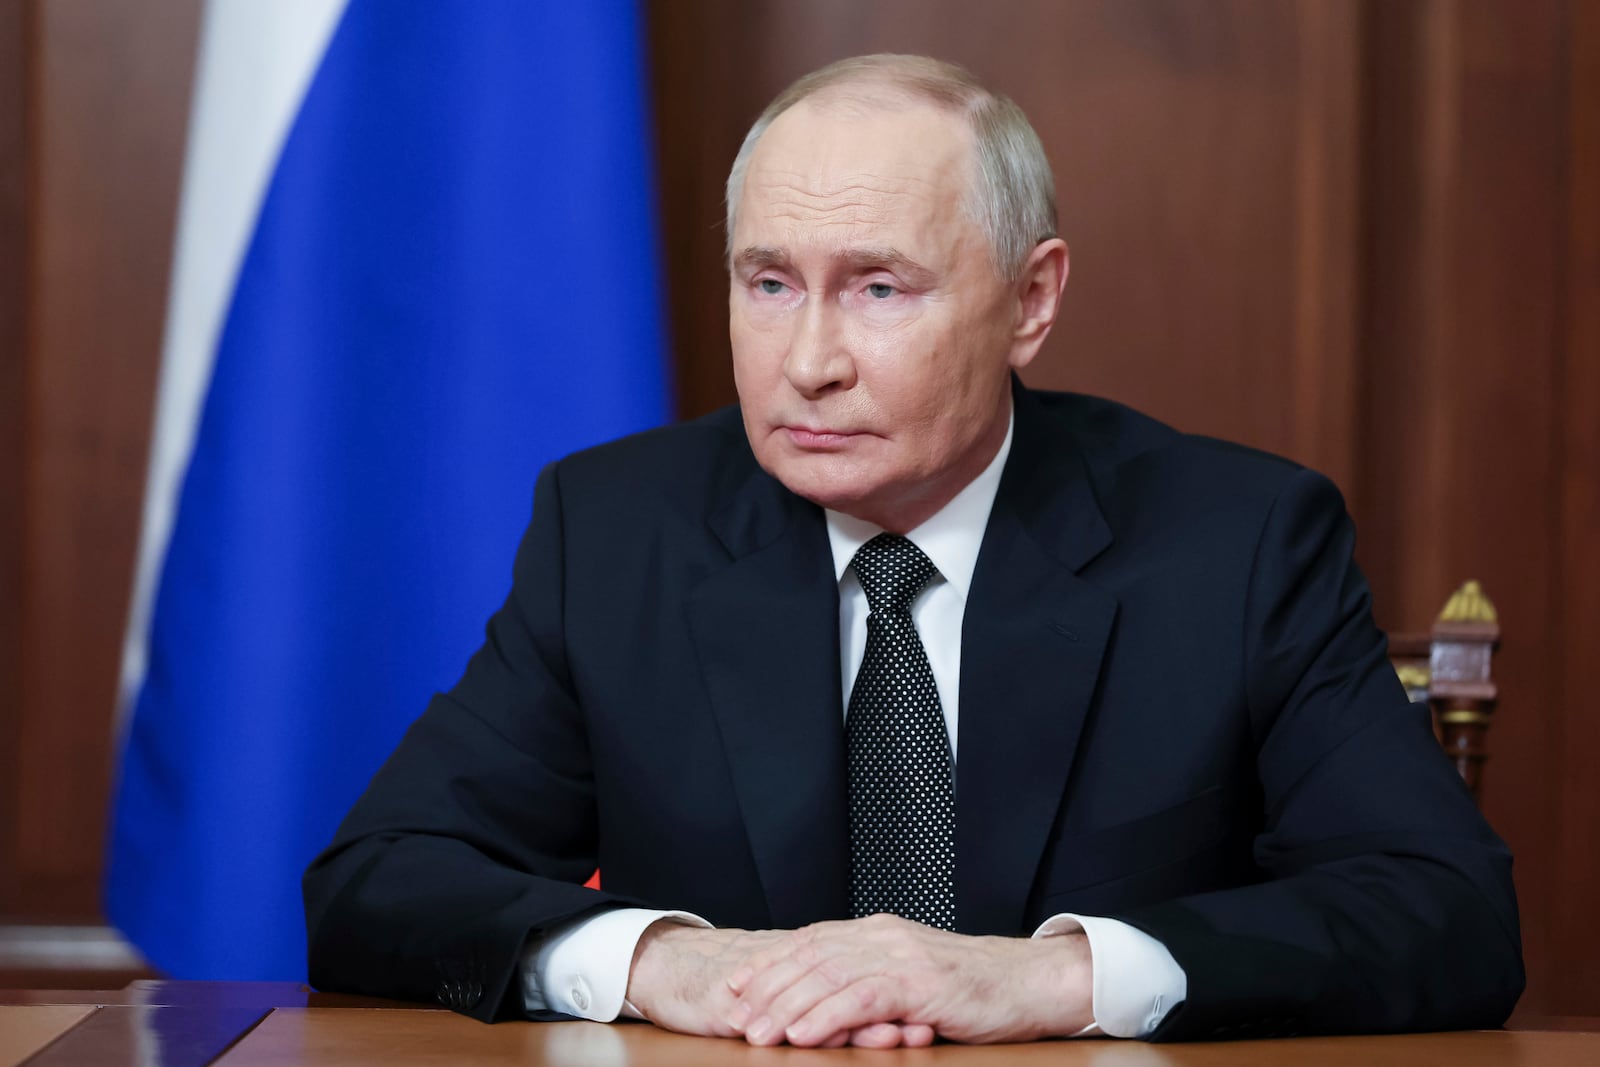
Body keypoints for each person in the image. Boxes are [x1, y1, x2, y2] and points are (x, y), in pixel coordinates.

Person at [302, 54, 1523, 1046]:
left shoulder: (1237, 541)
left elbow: (1449, 913)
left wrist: (1047, 979)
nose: (809, 359)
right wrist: (668, 960)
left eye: (879, 288)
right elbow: (376, 881)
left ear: (1030, 301)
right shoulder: (619, 530)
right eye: (768, 281)